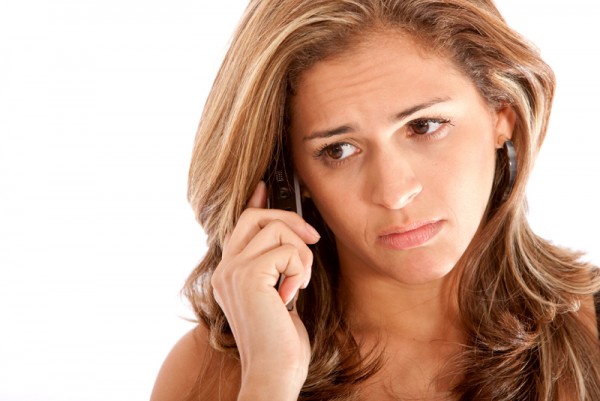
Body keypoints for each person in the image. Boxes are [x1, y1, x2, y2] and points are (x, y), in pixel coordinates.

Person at [150, 0, 600, 399]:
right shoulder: (214, 375)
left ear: (502, 115)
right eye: (339, 150)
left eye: (424, 126)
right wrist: (270, 378)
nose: (393, 192)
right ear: (291, 175)